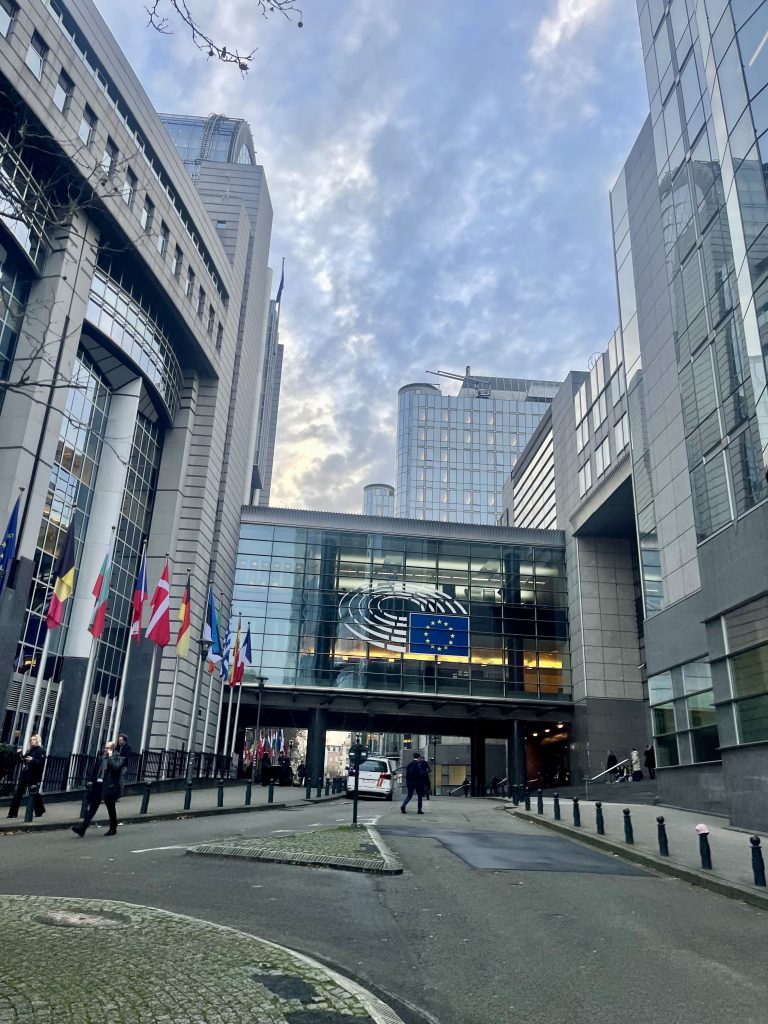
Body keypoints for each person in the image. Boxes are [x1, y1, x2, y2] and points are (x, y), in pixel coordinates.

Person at [72, 740, 124, 837]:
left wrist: (110, 757)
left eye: (108, 748)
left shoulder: (118, 758)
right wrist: (92, 781)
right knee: (92, 807)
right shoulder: (102, 757)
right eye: (105, 747)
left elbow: (116, 768)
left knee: (111, 808)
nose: (106, 749)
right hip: (98, 784)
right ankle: (82, 828)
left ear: (113, 749)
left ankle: (113, 828)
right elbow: (96, 770)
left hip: (109, 786)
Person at [7, 734, 46, 818]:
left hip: (34, 776)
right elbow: (23, 760)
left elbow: (41, 763)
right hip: (25, 774)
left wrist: (32, 760)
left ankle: (40, 810)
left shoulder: (41, 750)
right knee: (18, 793)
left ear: (38, 740)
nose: (32, 741)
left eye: (34, 739)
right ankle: (12, 813)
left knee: (34, 794)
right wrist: (19, 754)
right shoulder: (30, 750)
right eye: (31, 740)